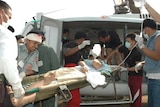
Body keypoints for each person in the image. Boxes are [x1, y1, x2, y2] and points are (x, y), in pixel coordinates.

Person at [0, 1, 25, 106]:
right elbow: (6, 60)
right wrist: (17, 86)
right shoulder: (5, 34)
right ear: (1, 13)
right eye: (9, 17)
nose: (8, 21)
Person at [136, 18, 160, 107]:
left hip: (157, 79)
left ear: (146, 29)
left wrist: (142, 46)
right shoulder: (151, 39)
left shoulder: (158, 37)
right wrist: (143, 63)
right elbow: (151, 56)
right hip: (151, 77)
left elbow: (157, 56)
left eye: (143, 30)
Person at [63, 31, 90, 107]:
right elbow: (66, 53)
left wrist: (84, 65)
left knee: (75, 95)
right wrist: (79, 47)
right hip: (70, 69)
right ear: (82, 39)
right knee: (73, 94)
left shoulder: (80, 49)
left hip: (76, 69)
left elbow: (79, 60)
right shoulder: (71, 44)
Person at [33, 30, 61, 107]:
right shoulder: (49, 50)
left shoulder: (29, 49)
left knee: (35, 102)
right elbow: (56, 68)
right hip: (48, 83)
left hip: (33, 83)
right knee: (49, 103)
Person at [17, 31, 42, 107]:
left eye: (38, 44)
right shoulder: (17, 49)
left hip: (25, 84)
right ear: (27, 40)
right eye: (34, 43)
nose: (36, 46)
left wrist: (23, 74)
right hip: (10, 83)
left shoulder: (36, 53)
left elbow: (34, 69)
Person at [118, 33, 143, 107]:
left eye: (128, 41)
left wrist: (126, 69)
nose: (127, 43)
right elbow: (118, 50)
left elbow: (138, 67)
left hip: (137, 76)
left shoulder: (137, 53)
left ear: (134, 42)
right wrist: (122, 62)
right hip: (130, 76)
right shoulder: (126, 50)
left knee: (136, 96)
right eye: (126, 41)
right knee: (131, 96)